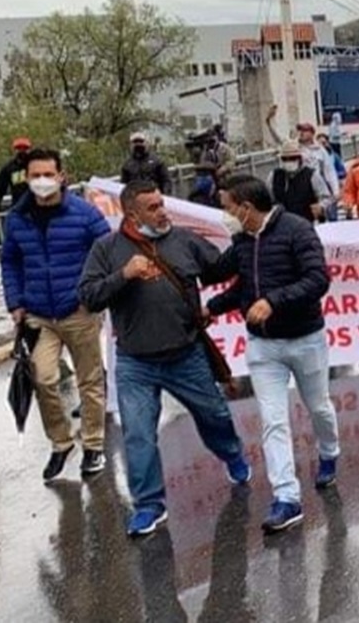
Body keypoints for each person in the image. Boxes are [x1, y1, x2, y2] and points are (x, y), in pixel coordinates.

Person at [78, 181, 253, 537]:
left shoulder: (183, 239)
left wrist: (240, 237)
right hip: (135, 362)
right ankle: (149, 504)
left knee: (214, 414)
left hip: (185, 354)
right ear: (132, 214)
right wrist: (124, 275)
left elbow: (218, 270)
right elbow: (89, 297)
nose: (162, 212)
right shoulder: (107, 249)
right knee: (139, 434)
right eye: (153, 207)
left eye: (162, 204)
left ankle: (232, 455)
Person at [209, 178, 340, 534]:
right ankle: (287, 498)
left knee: (319, 408)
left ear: (246, 208)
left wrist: (274, 301)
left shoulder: (297, 230)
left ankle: (329, 451)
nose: (226, 215)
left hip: (305, 340)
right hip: (263, 348)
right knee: (273, 421)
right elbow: (239, 285)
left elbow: (318, 280)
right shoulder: (241, 242)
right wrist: (213, 307)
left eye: (227, 207)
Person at [0, 148, 112, 481]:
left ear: (62, 176)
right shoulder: (18, 218)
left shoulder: (85, 215)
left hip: (78, 310)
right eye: (34, 176)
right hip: (38, 314)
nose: (41, 182)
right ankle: (60, 442)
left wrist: (93, 295)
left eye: (48, 174)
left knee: (89, 380)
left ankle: (93, 444)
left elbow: (108, 252)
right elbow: (10, 261)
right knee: (43, 378)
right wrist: (15, 301)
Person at [269, 141, 331, 223]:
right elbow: (269, 199)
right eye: (285, 159)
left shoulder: (311, 175)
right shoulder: (274, 176)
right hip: (282, 223)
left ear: (299, 158)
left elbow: (326, 197)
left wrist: (321, 207)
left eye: (292, 158)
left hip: (307, 222)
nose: (289, 162)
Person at [297, 123, 341, 203]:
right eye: (300, 130)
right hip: (300, 187)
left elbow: (329, 171)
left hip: (317, 187)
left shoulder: (320, 150)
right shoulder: (295, 148)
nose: (301, 133)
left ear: (312, 133)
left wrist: (336, 191)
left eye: (305, 130)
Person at [0, 137, 32, 212]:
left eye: (25, 148)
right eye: (19, 148)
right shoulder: (9, 168)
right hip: (19, 207)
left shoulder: (36, 165)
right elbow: (0, 188)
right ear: (14, 150)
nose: (22, 151)